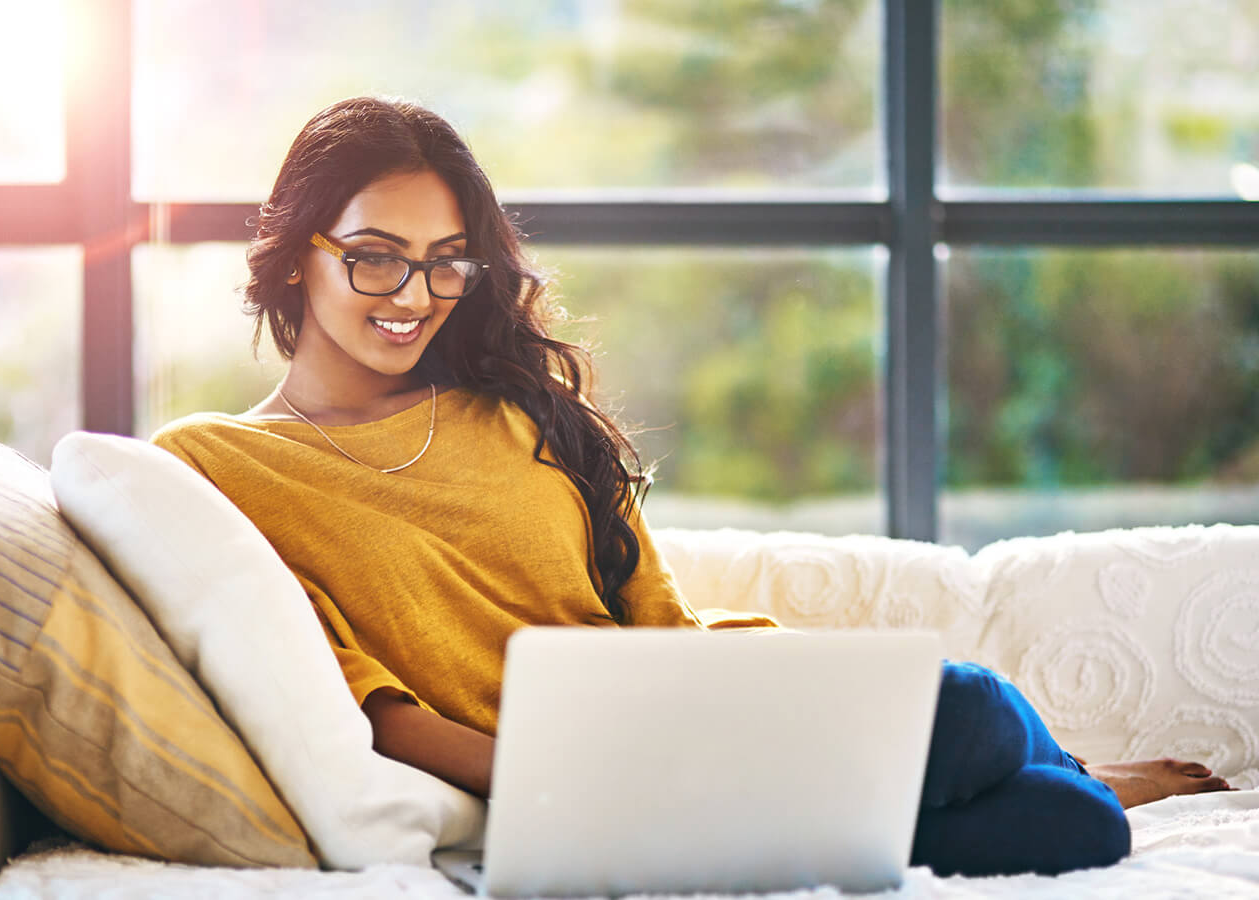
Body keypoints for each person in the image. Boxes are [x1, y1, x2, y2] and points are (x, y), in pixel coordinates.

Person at [150, 96, 1231, 877]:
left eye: (446, 262)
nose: (415, 295)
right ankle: (1058, 779)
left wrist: (705, 745)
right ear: (296, 254)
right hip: (574, 780)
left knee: (1030, 775)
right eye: (376, 256)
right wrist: (579, 785)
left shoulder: (512, 406)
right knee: (1010, 762)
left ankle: (1072, 774)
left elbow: (653, 616)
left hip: (709, 712)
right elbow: (365, 706)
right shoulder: (215, 466)